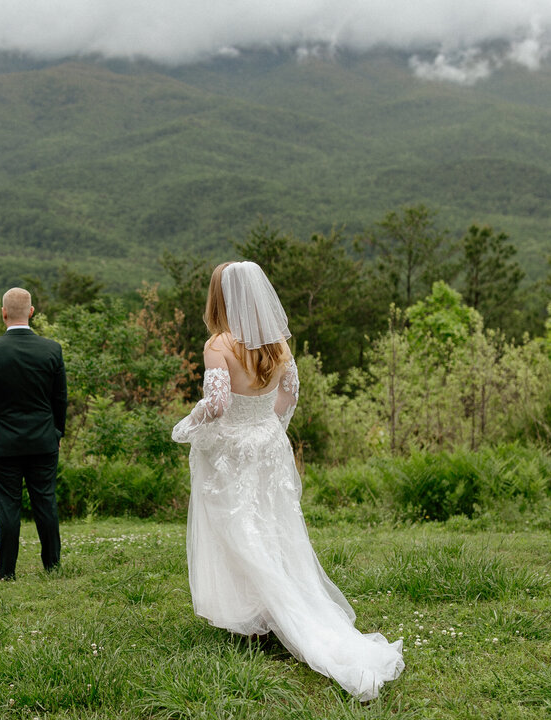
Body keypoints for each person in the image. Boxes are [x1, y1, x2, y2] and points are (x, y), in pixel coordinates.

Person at [172, 261, 404, 701]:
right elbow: (289, 393)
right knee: (273, 527)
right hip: (267, 447)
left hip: (234, 453)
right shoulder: (277, 344)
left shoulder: (217, 345)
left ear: (219, 297)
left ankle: (259, 616)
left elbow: (217, 404)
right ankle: (271, 612)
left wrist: (189, 423)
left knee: (238, 531)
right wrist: (266, 423)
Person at [0, 287, 67, 580]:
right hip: (42, 438)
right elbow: (60, 397)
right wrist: (57, 432)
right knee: (45, 502)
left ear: (3, 313)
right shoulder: (51, 349)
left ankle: (6, 573)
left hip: (3, 441)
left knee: (8, 506)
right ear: (31, 312)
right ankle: (52, 566)